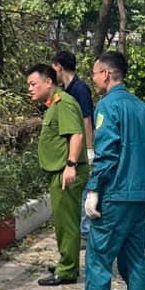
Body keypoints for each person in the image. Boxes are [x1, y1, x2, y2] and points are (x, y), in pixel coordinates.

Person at [72, 52, 145, 290]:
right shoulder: (142, 108)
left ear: (106, 74)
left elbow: (107, 153)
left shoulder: (108, 105)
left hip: (116, 194)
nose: (93, 79)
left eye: (94, 73)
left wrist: (94, 189)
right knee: (135, 261)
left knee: (98, 259)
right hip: (139, 195)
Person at [27, 64, 87, 286]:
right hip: (59, 171)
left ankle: (68, 270)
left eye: (33, 84)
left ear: (49, 82)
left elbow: (76, 135)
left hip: (66, 172)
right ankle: (66, 260)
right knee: (62, 222)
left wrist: (70, 165)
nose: (30, 89)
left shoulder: (64, 103)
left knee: (68, 222)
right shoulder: (54, 104)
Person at [52, 49, 96, 243]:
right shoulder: (65, 90)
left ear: (59, 67)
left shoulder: (80, 89)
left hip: (82, 149)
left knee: (86, 189)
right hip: (71, 150)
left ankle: (85, 232)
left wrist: (89, 149)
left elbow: (86, 120)